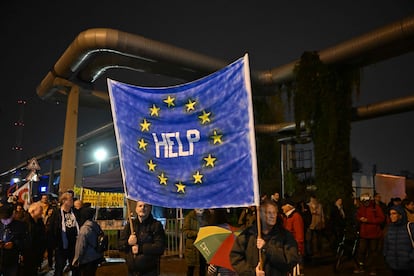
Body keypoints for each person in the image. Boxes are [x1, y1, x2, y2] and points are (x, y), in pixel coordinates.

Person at [230, 199, 299, 275]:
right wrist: (253, 272)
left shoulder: (285, 235)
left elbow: (291, 261)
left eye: (274, 213)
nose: (272, 216)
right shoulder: (247, 236)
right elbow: (236, 258)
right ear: (260, 214)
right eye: (268, 213)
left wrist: (266, 248)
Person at [119, 201, 165, 276]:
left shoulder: (156, 225)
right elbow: (120, 245)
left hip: (149, 272)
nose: (142, 208)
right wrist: (128, 242)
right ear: (136, 209)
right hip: (132, 271)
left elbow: (160, 247)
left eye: (145, 206)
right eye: (140, 206)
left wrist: (140, 248)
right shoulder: (130, 225)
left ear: (150, 209)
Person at [48, 191, 80, 276]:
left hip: (74, 245)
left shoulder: (75, 212)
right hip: (61, 245)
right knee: (59, 267)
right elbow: (52, 228)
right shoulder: (57, 213)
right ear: (64, 201)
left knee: (75, 267)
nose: (72, 201)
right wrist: (55, 244)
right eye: (70, 200)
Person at [354, 193, 385, 275]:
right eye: (363, 201)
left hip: (374, 234)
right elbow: (357, 215)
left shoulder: (375, 207)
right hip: (363, 234)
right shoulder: (361, 208)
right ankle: (361, 267)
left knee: (373, 252)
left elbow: (381, 218)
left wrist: (368, 220)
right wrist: (360, 219)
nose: (365, 203)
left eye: (366, 201)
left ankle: (373, 268)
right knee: (361, 251)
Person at [72, 206, 105, 276]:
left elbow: (80, 246)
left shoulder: (84, 229)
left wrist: (76, 259)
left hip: (87, 258)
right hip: (96, 256)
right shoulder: (95, 225)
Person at [383, 205, 414, 275]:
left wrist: (411, 257)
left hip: (409, 266)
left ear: (401, 215)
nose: (391, 216)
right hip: (393, 265)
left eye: (394, 213)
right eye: (390, 214)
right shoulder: (389, 228)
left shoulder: (410, 227)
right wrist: (386, 256)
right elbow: (386, 244)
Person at [183, 208, 212, 276]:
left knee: (203, 267)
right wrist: (197, 233)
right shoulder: (189, 216)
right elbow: (185, 231)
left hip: (204, 245)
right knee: (191, 268)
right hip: (192, 246)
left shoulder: (208, 215)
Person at [0, 202, 26, 276]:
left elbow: (25, 242)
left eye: (7, 219)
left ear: (13, 215)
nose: (5, 221)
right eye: (3, 219)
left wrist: (14, 244)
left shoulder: (20, 226)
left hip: (12, 260)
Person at [22, 201, 47, 275]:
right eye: (40, 211)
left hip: (38, 252)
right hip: (29, 253)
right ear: (33, 211)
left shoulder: (40, 221)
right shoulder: (25, 222)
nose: (42, 213)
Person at [281, 199, 305, 273]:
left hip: (295, 249)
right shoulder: (286, 217)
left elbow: (299, 234)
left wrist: (298, 249)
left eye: (283, 206)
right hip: (289, 248)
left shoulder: (296, 217)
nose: (282, 208)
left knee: (296, 271)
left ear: (289, 207)